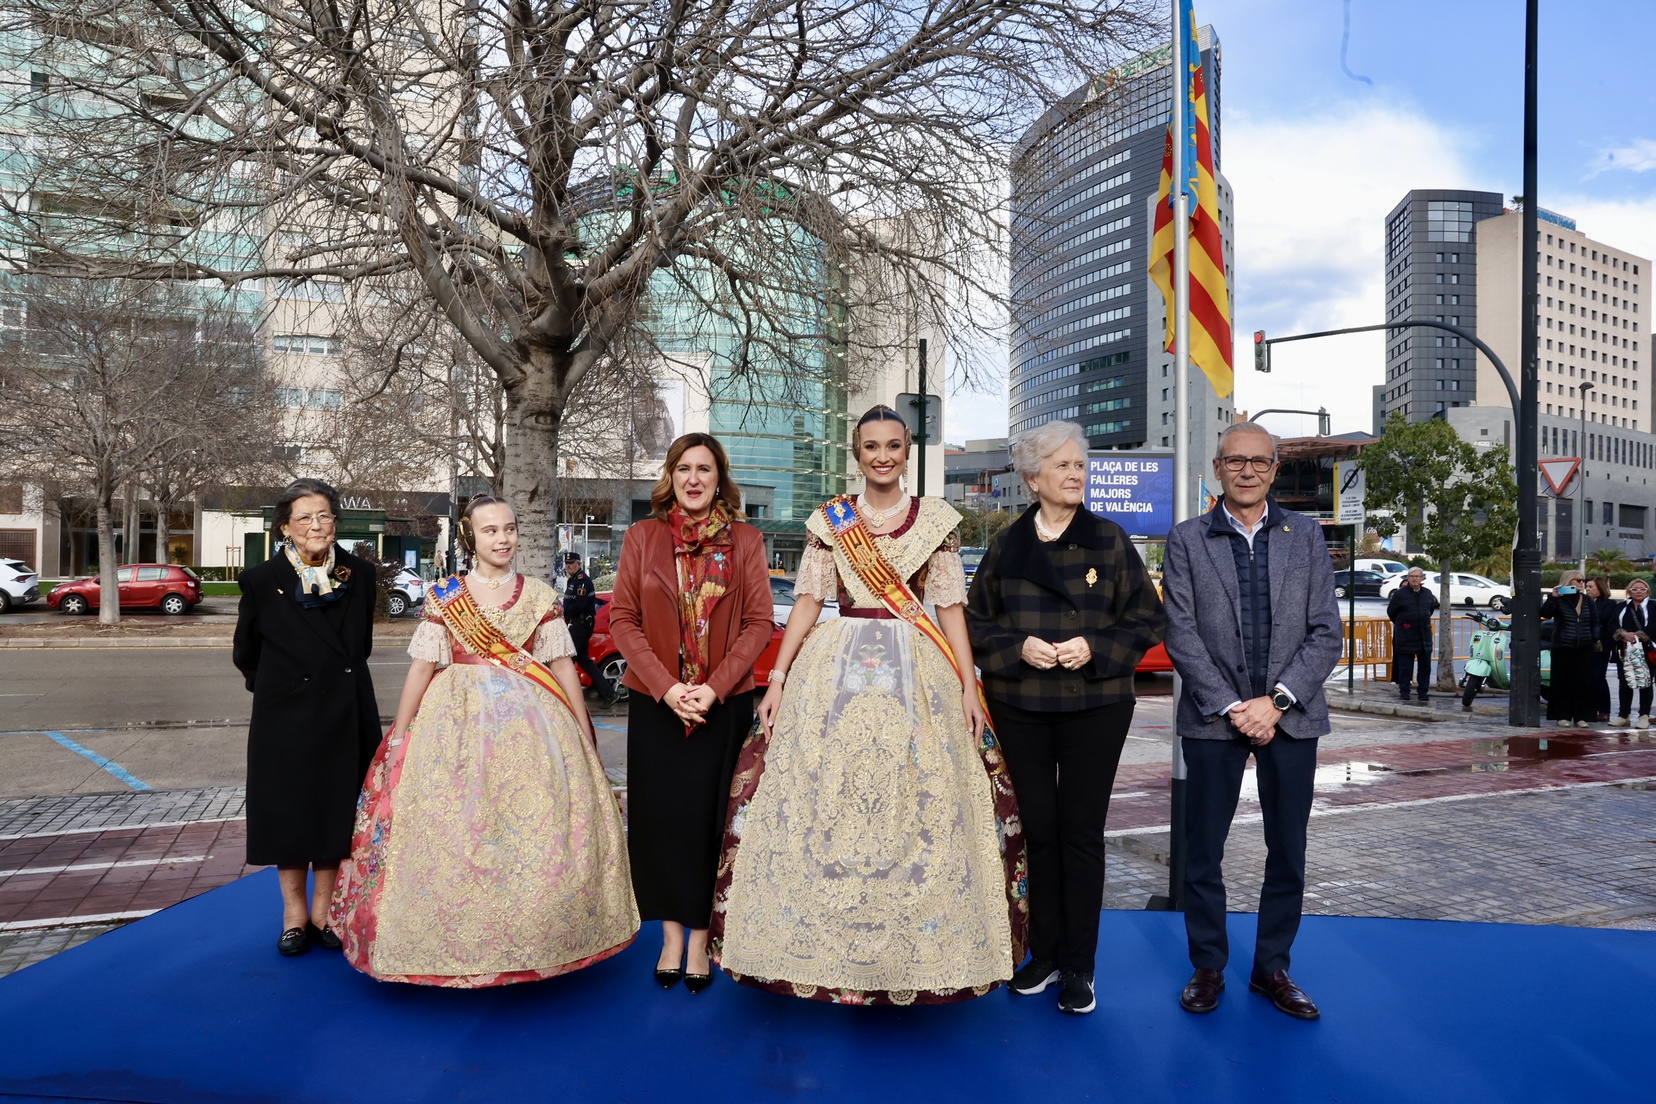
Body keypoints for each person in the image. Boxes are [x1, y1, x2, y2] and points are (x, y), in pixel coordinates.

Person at [712, 405, 1026, 1006]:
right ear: (856, 455)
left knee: (918, 796)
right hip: (836, 667)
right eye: (871, 447)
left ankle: (914, 942)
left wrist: (968, 684)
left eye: (893, 446)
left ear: (907, 453)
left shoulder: (936, 520)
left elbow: (949, 609)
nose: (883, 456)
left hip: (917, 668)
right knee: (823, 793)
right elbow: (809, 601)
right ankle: (821, 939)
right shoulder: (831, 520)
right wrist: (778, 677)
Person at [329, 495, 638, 985]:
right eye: (490, 530)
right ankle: (455, 946)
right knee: (456, 827)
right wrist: (400, 735)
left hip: (533, 727)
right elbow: (422, 669)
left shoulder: (540, 595)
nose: (503, 538)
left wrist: (583, 733)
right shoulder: (445, 595)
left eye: (509, 528)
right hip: (454, 724)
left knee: (532, 829)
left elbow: (561, 667)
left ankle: (537, 941)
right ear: (470, 537)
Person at [964, 421, 1164, 1015]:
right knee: (1037, 832)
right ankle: (1044, 954)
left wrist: (1093, 647)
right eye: (1063, 466)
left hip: (1095, 704)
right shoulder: (1007, 543)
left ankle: (1080, 965)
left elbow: (1149, 618)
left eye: (1080, 465)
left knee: (1080, 832)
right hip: (1019, 703)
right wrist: (1017, 647)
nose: (1076, 474)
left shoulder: (1109, 537)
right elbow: (975, 622)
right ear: (1033, 478)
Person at [1161, 423, 1343, 1021]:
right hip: (1215, 718)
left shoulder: (1306, 535)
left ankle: (1272, 969)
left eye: (1259, 462)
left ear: (1274, 469)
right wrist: (1233, 705)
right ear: (1218, 468)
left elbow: (1327, 632)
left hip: (1290, 718)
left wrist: (1278, 701)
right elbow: (1181, 633)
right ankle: (1208, 966)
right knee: (1203, 851)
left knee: (1287, 850)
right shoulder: (1187, 539)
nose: (1247, 471)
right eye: (1235, 460)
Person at [609, 434, 774, 994]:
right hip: (657, 703)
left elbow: (758, 623)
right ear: (671, 476)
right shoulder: (643, 536)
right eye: (684, 468)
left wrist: (712, 689)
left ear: (719, 477)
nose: (694, 478)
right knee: (662, 822)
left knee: (709, 822)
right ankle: (671, 937)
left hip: (720, 705)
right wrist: (667, 688)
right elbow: (623, 620)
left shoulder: (746, 540)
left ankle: (701, 939)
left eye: (705, 468)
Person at [232, 478, 381, 957]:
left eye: (324, 516)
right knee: (290, 812)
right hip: (285, 714)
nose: (316, 525)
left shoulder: (360, 573)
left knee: (337, 810)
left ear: (335, 522)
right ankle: (294, 915)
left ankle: (324, 912)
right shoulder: (261, 579)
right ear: (285, 527)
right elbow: (246, 653)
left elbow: (360, 645)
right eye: (304, 518)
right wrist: (280, 690)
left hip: (345, 708)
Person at [1540, 570, 1601, 729]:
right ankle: (1562, 715)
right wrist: (1553, 597)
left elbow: (1595, 621)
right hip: (1563, 646)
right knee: (1562, 682)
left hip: (1585, 646)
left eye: (1582, 580)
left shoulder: (1587, 600)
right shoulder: (1559, 599)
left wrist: (1595, 637)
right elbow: (1545, 614)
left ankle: (1582, 717)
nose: (1581, 583)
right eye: (1578, 580)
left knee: (1584, 683)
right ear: (1568, 581)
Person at [563, 551, 615, 707]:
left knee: (568, 660)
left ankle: (562, 694)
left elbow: (579, 606)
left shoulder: (582, 581)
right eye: (567, 564)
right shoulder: (573, 580)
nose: (569, 566)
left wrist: (564, 611)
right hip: (577, 623)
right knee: (583, 660)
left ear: (579, 564)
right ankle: (610, 693)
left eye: (572, 563)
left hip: (581, 624)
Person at [1385, 568, 1438, 702]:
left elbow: (1430, 610)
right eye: (1412, 576)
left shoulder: (1427, 593)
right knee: (1405, 667)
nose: (1414, 579)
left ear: (1422, 578)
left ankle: (1423, 692)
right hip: (1406, 636)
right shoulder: (1400, 594)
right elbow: (1391, 612)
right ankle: (1404, 691)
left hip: (1424, 635)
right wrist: (1402, 623)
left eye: (1417, 576)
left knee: (1425, 668)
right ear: (1408, 578)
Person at [1611, 578, 1654, 729]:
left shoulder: (1653, 605)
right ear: (1629, 591)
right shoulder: (1622, 606)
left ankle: (1644, 715)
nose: (1638, 592)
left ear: (1647, 591)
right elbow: (1612, 623)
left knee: (1646, 682)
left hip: (1646, 649)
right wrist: (1623, 634)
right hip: (1624, 648)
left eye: (1642, 589)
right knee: (1624, 681)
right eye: (1635, 589)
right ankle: (1623, 715)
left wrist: (1639, 635)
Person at [1586, 576, 1619, 722]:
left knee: (1598, 677)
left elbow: (1602, 618)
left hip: (1600, 646)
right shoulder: (1584, 602)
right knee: (1587, 678)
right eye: (1587, 587)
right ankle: (1589, 708)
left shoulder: (1609, 604)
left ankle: (1604, 709)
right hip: (1584, 644)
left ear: (1600, 588)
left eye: (1591, 587)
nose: (1587, 589)